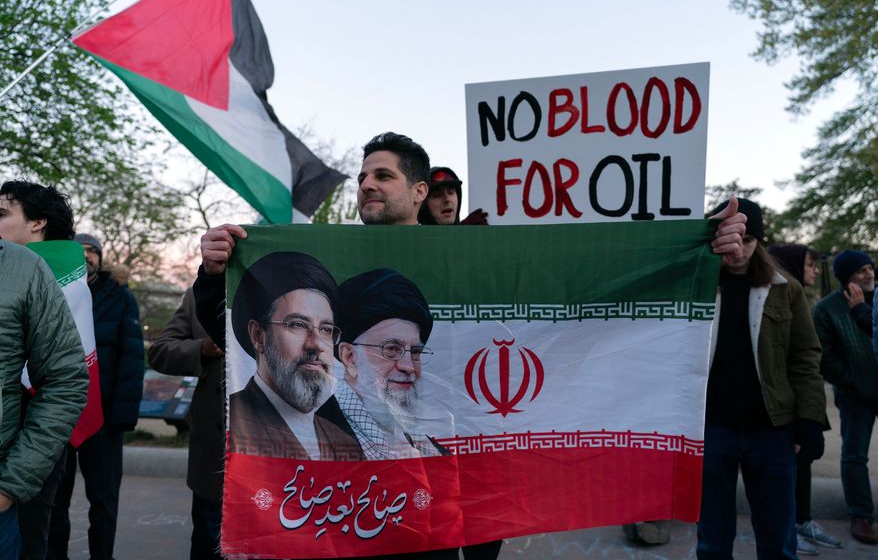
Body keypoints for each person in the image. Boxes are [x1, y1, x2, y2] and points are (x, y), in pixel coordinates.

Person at [194, 132, 747, 560]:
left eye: (383, 175)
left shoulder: (468, 262)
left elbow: (584, 285)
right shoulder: (321, 265)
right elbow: (253, 345)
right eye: (362, 176)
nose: (367, 185)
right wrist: (214, 274)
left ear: (419, 192)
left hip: (442, 519)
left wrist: (703, 251)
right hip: (349, 523)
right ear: (348, 354)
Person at [697, 199, 826, 560]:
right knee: (712, 540)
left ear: (760, 242)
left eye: (749, 240)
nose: (738, 250)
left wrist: (810, 419)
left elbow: (805, 356)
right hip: (711, 427)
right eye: (731, 238)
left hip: (772, 429)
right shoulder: (696, 285)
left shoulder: (786, 289)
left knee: (777, 540)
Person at [0, 180, 104, 560]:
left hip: (32, 441)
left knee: (33, 535)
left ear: (37, 222)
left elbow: (65, 378)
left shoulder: (60, 277)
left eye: (2, 214)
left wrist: (11, 483)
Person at [48, 233, 145, 560]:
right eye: (80, 250)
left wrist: (123, 415)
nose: (86, 256)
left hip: (104, 416)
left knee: (103, 500)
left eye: (92, 251)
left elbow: (132, 357)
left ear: (100, 259)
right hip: (58, 413)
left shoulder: (119, 296)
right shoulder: (53, 290)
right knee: (54, 500)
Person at [227, 251, 363, 461]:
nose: (316, 344)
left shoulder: (344, 442)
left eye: (326, 329)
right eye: (298, 325)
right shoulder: (231, 421)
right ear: (258, 336)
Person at [768, 243, 841, 554]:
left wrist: (809, 416)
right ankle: (789, 528)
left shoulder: (797, 298)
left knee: (803, 464)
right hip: (784, 406)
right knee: (786, 472)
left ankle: (801, 521)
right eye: (810, 265)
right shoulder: (772, 300)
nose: (814, 271)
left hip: (801, 405)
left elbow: (808, 358)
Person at [147, 288, 225, 560]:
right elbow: (159, 351)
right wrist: (201, 348)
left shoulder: (282, 290)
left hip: (269, 459)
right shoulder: (198, 296)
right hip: (213, 459)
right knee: (208, 540)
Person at [335, 268, 443, 459]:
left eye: (415, 352)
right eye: (392, 349)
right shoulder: (316, 432)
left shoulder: (424, 446)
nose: (409, 367)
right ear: (350, 357)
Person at [812, 249, 878, 544]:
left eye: (870, 268)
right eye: (861, 270)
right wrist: (852, 382)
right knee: (855, 455)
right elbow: (823, 355)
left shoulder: (876, 301)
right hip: (855, 395)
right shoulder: (826, 309)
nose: (869, 274)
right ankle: (860, 515)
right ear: (844, 277)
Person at [417, 167, 488, 225]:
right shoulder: (415, 237)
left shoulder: (471, 232)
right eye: (437, 195)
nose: (447, 199)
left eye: (451, 192)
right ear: (423, 205)